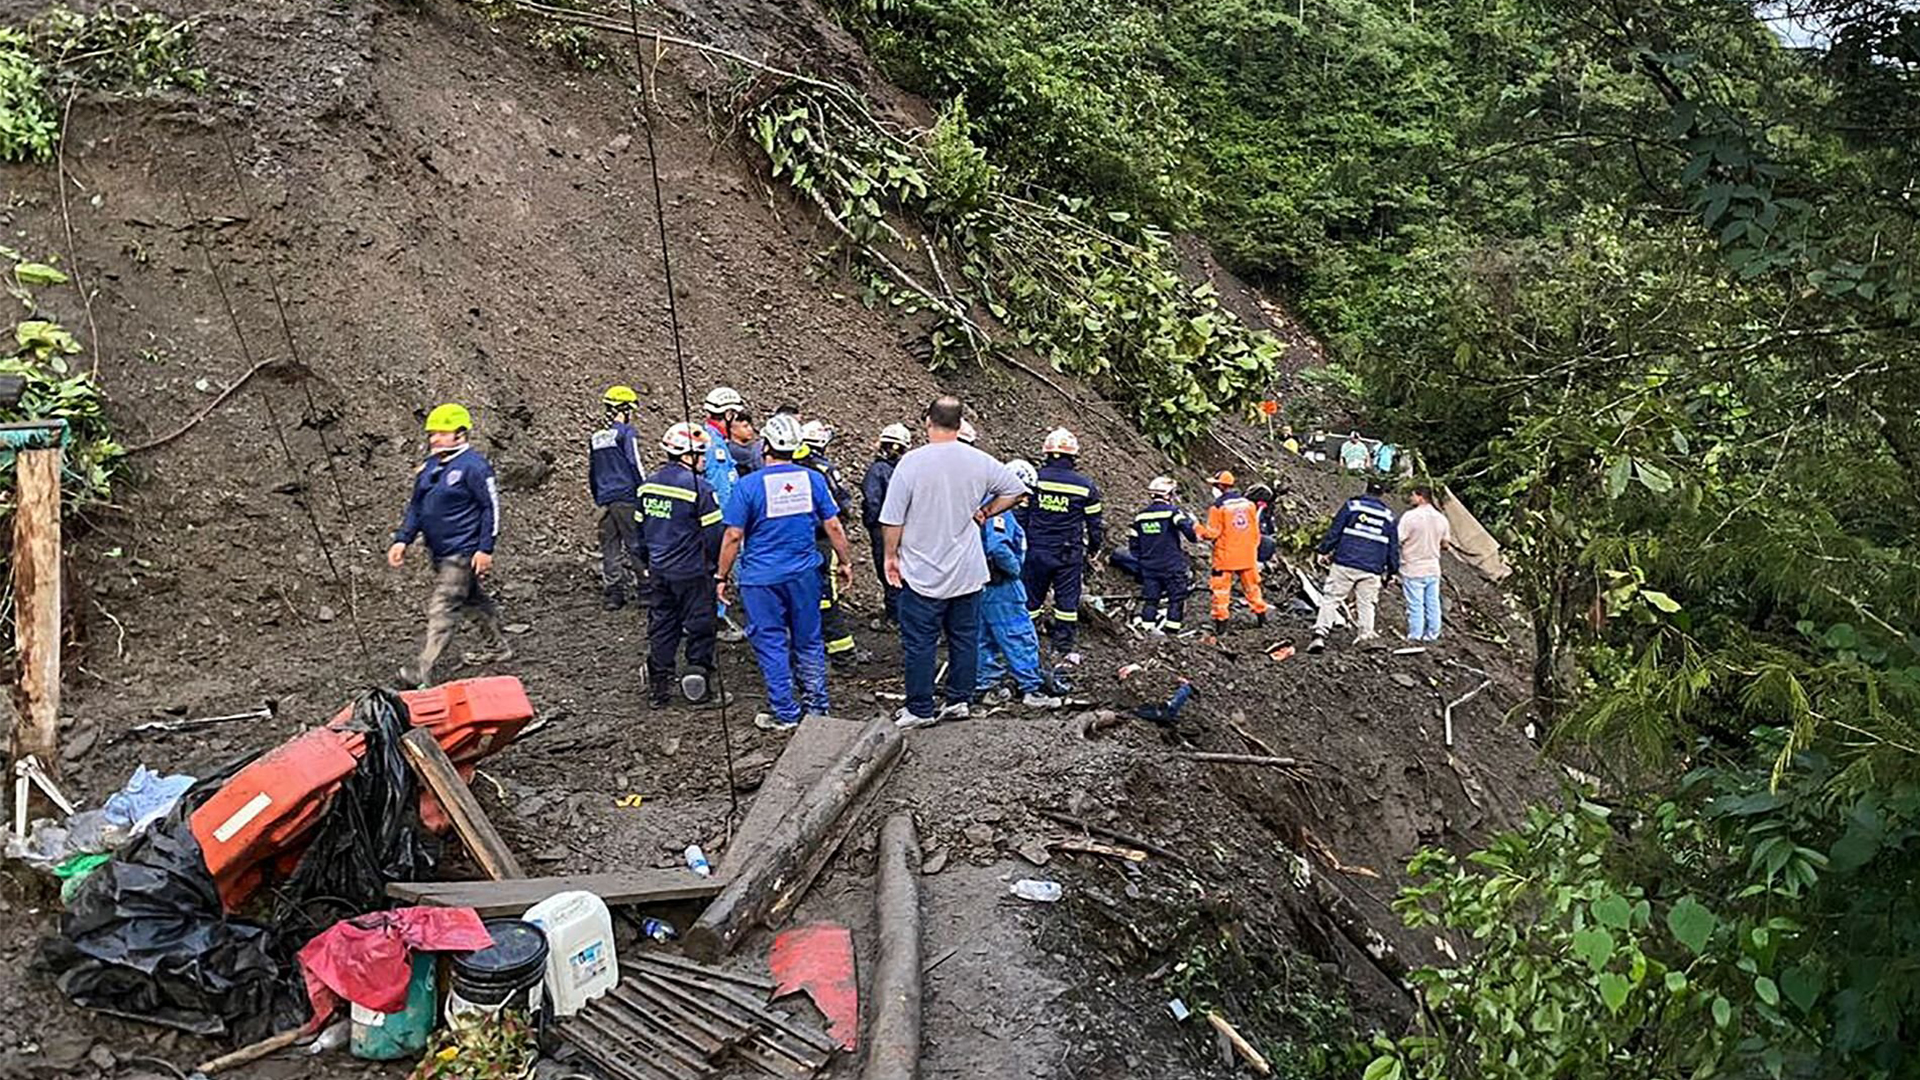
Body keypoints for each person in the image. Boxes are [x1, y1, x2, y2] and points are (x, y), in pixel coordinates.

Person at [879, 395, 1027, 729]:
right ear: (960, 425)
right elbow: (1016, 490)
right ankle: (959, 700)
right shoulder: (979, 460)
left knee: (920, 642)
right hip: (967, 571)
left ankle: (920, 708)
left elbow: (892, 517)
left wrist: (891, 555)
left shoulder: (912, 463)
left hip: (922, 571)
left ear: (928, 422)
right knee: (964, 637)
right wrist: (986, 512)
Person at [716, 413, 854, 731]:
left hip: (761, 579)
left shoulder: (748, 485)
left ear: (766, 445)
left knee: (771, 641)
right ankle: (817, 708)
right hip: (804, 574)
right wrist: (845, 561)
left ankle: (786, 713)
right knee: (808, 639)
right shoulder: (813, 479)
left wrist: (721, 576)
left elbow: (733, 536)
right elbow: (833, 525)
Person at [388, 403, 510, 687]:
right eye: (432, 434)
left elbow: (490, 508)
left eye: (441, 433)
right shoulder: (430, 467)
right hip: (439, 550)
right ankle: (497, 646)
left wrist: (485, 548)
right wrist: (403, 539)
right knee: (472, 601)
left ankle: (423, 668)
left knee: (443, 605)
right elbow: (417, 507)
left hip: (462, 550)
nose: (434, 439)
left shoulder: (475, 467)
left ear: (460, 434)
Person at [640, 422, 725, 706]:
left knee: (663, 625)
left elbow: (639, 531)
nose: (704, 461)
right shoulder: (700, 488)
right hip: (693, 571)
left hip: (659, 570)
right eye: (701, 455)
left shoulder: (647, 486)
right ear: (688, 456)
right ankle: (698, 680)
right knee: (701, 625)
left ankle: (659, 688)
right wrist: (717, 569)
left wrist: (646, 562)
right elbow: (715, 535)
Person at [975, 458, 1064, 708]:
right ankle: (1031, 689)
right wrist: (1014, 570)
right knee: (1018, 634)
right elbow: (998, 546)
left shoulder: (981, 504)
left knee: (985, 638)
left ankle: (986, 686)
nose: (1024, 500)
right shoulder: (999, 511)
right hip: (1002, 587)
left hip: (981, 585)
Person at [1023, 427, 1104, 665]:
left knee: (1031, 598)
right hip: (1068, 553)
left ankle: (1028, 640)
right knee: (1067, 602)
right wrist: (1093, 550)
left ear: (1046, 453)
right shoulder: (1085, 486)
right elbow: (1095, 525)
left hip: (1036, 549)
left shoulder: (1035, 480)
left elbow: (1022, 514)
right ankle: (1062, 647)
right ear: (1074, 456)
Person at [800, 420, 865, 669]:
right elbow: (841, 505)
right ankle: (843, 655)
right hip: (822, 540)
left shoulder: (783, 469)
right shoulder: (821, 470)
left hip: (794, 542)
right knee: (826, 595)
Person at [1308, 478, 1400, 652]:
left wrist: (1323, 550)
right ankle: (1365, 637)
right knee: (1366, 603)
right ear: (1382, 494)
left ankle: (1320, 634)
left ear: (1367, 490)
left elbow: (1335, 531)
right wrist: (1392, 571)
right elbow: (1393, 547)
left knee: (1331, 598)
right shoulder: (1389, 516)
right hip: (1372, 567)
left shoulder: (1352, 506)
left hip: (1346, 562)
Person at [588, 385, 647, 610]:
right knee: (635, 543)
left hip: (604, 498)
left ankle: (613, 594)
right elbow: (635, 462)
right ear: (625, 409)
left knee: (610, 547)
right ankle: (645, 589)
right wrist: (643, 489)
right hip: (626, 496)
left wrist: (598, 496)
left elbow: (592, 471)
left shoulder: (596, 437)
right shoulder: (626, 433)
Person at [1195, 471, 1269, 633]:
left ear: (1221, 486)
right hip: (1247, 555)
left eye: (1215, 485)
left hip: (1225, 557)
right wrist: (1252, 549)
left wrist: (1196, 527)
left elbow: (1212, 533)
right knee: (1252, 588)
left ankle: (1222, 626)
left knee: (1221, 591)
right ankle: (1262, 618)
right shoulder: (1249, 505)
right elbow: (1255, 531)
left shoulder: (1218, 507)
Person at [702, 386, 749, 641]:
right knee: (722, 565)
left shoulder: (713, 440)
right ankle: (716, 618)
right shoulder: (715, 446)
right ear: (728, 414)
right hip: (723, 520)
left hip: (723, 519)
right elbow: (721, 490)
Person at [1128, 475, 1198, 636]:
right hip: (1171, 565)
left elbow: (1133, 545)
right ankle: (1172, 635)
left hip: (1149, 567)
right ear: (1167, 495)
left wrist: (1144, 560)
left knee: (1151, 600)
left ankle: (1147, 633)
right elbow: (1188, 531)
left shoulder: (1140, 517)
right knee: (1176, 599)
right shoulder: (1172, 513)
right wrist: (1193, 533)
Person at [861, 423, 911, 629]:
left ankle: (895, 617)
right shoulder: (908, 471)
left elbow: (872, 501)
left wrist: (871, 524)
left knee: (888, 571)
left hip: (884, 529)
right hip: (908, 528)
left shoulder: (877, 470)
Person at [1397, 485, 1452, 642]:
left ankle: (1415, 635)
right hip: (1433, 567)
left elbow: (1398, 539)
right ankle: (1433, 634)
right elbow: (1446, 545)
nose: (1411, 498)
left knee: (1415, 604)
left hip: (1413, 567)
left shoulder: (1410, 517)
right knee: (1433, 603)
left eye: (1413, 495)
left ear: (1420, 497)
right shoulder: (1441, 518)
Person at [728, 411, 764, 476]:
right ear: (732, 430)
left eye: (750, 425)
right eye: (745, 426)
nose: (750, 429)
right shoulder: (733, 449)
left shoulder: (750, 446)